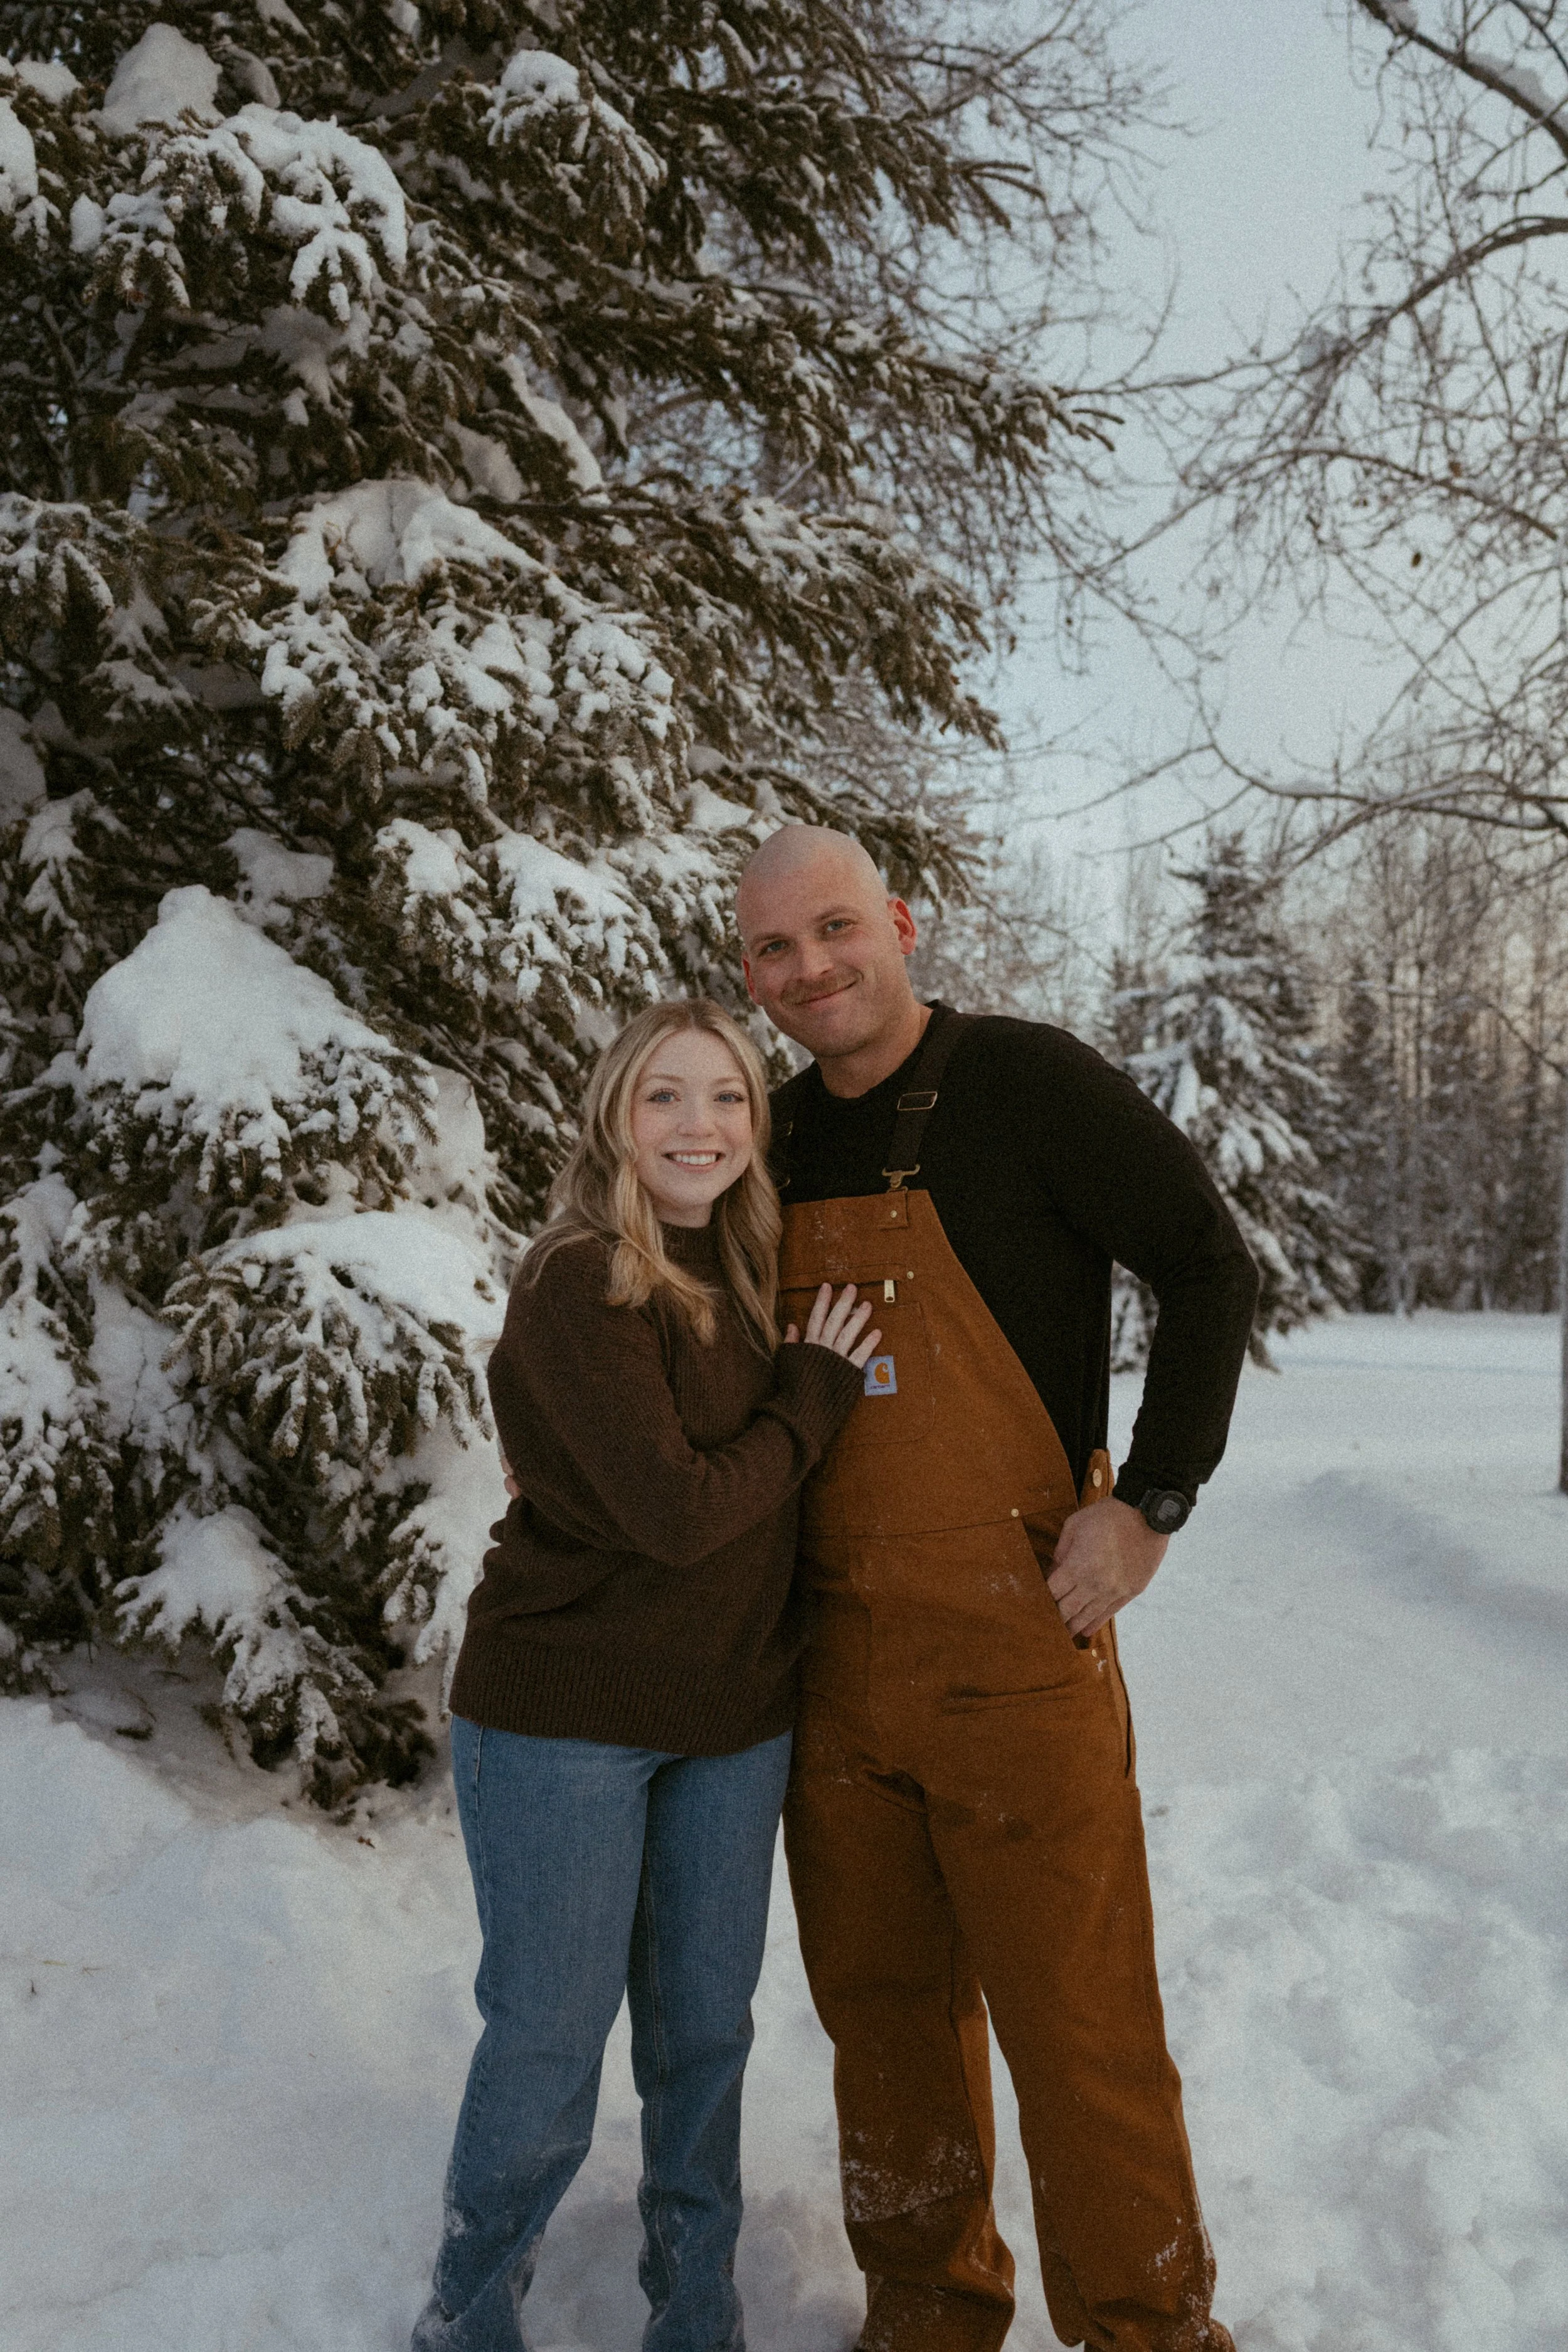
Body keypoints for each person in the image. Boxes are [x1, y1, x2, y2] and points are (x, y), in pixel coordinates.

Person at [734, 828, 1261, 2352]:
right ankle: (927, 2309)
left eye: (833, 929)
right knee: (883, 2024)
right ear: (746, 971)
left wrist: (1152, 1506)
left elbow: (1205, 1264)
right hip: (832, 1666)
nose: (809, 969)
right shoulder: (762, 1140)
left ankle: (1146, 2327)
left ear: (896, 923)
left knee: (1079, 2028)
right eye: (772, 949)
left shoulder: (1024, 1083)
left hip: (1019, 1646)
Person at [413, 995, 881, 2352]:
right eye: (664, 1096)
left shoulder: (739, 1269)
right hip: (564, 1718)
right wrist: (809, 1397)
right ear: (615, 1115)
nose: (699, 1125)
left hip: (730, 1721)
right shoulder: (579, 1276)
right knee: (549, 2041)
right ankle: (468, 2314)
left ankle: (694, 2316)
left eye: (727, 1097)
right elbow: (676, 1515)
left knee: (702, 2040)